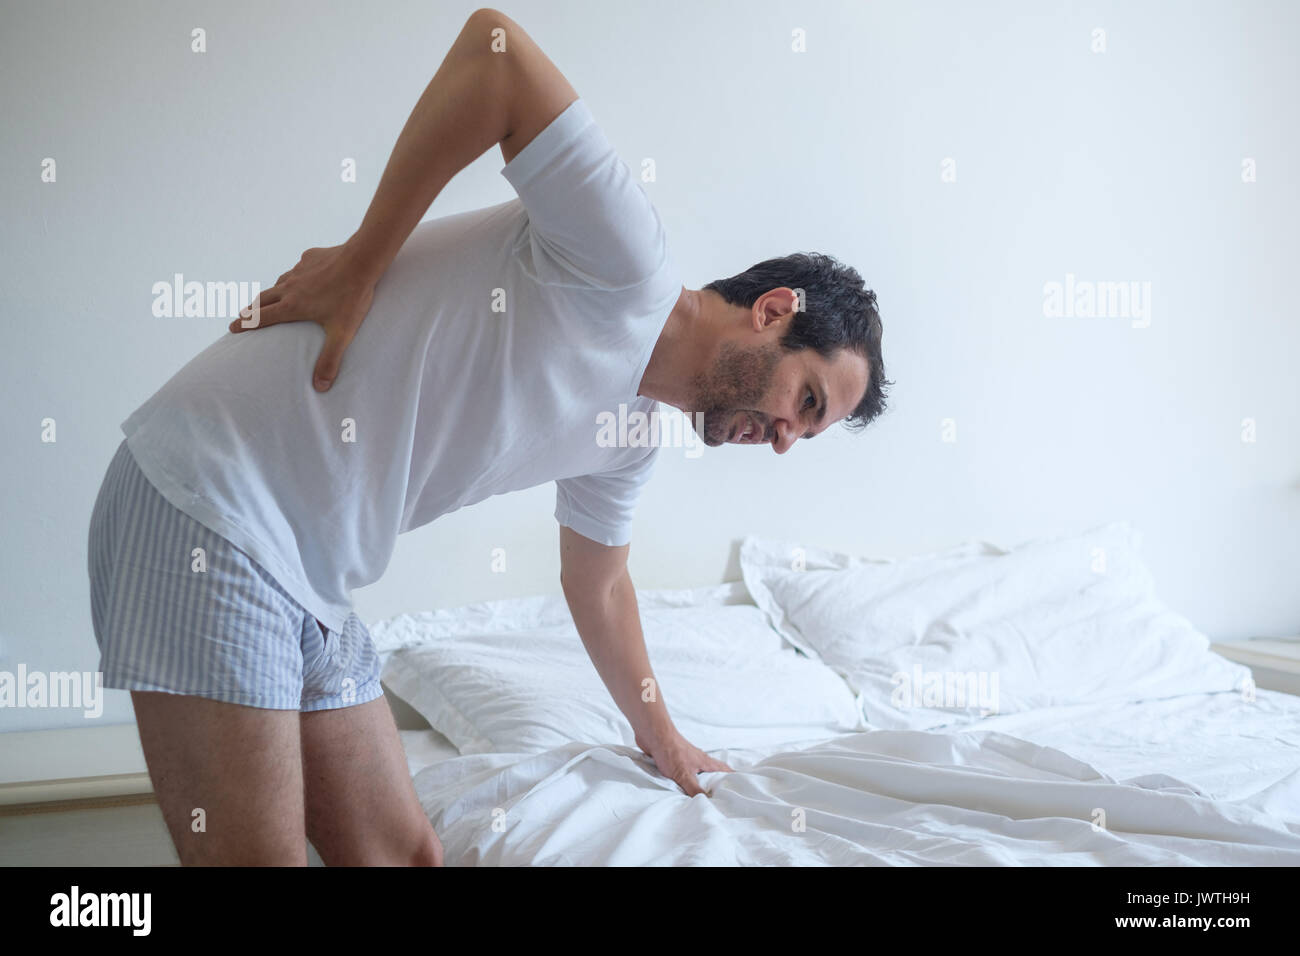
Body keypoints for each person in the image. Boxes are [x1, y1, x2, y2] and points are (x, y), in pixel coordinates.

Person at [87, 7, 890, 867]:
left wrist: (664, 739)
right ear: (773, 313)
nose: (781, 442)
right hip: (210, 498)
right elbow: (494, 52)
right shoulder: (628, 265)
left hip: (311, 575)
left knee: (409, 856)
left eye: (807, 435)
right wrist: (361, 264)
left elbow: (603, 585)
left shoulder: (630, 438)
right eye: (804, 402)